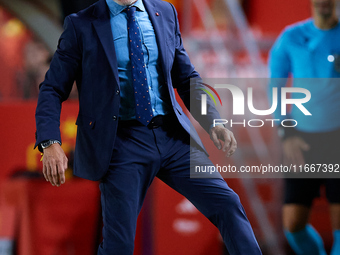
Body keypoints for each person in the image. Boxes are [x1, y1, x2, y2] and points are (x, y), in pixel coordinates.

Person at [35, 0, 262, 254]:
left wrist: (213, 121)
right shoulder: (81, 24)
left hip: (172, 137)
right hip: (121, 144)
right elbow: (52, 89)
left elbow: (186, 77)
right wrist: (49, 141)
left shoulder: (164, 12)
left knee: (228, 204)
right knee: (117, 246)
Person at [268, 0, 340, 254]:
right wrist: (286, 133)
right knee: (293, 225)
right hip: (302, 141)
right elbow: (274, 88)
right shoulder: (291, 37)